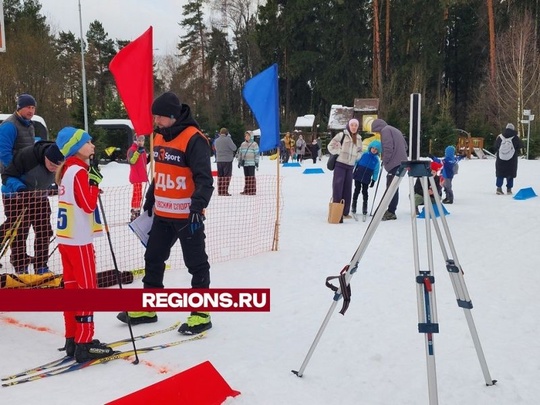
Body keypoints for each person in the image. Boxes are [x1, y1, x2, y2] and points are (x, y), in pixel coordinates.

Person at [117, 91, 214, 335]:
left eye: (159, 117)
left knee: (196, 264)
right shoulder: (159, 137)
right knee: (153, 258)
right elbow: (161, 172)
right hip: (162, 213)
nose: (156, 121)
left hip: (186, 215)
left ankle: (201, 313)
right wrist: (151, 196)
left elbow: (204, 179)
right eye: (155, 116)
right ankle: (148, 307)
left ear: (172, 116)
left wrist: (197, 205)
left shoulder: (194, 139)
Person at [54, 127, 114, 363]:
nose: (93, 146)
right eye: (88, 142)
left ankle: (72, 338)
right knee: (87, 289)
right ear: (76, 147)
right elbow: (88, 205)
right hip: (79, 241)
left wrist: (93, 181)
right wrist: (95, 183)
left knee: (71, 289)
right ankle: (84, 342)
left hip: (67, 240)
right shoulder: (78, 171)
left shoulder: (68, 170)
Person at [1, 141, 64, 274]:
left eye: (57, 167)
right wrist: (21, 189)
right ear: (45, 157)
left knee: (44, 230)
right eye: (52, 165)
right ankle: (20, 266)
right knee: (19, 230)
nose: (54, 169)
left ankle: (41, 266)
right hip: (15, 196)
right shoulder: (27, 156)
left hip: (39, 196)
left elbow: (63, 179)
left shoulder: (61, 161)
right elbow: (6, 176)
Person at [0, 94, 38, 261]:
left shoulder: (30, 125)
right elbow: (3, 153)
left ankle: (19, 255)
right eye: (28, 107)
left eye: (33, 107)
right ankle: (17, 256)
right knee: (14, 222)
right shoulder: (9, 126)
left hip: (26, 179)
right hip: (12, 181)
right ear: (19, 107)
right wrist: (18, 173)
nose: (31, 111)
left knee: (24, 222)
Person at [371, 118, 408, 221]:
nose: (378, 133)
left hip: (394, 164)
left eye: (376, 131)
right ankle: (390, 210)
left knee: (391, 188)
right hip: (402, 163)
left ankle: (391, 212)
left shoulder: (385, 131)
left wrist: (385, 160)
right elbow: (405, 146)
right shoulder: (395, 130)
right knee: (394, 187)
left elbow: (388, 148)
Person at [327, 118, 363, 222]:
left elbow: (360, 151)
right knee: (338, 188)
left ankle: (345, 211)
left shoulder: (359, 138)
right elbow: (330, 146)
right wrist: (338, 151)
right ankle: (336, 212)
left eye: (355, 125)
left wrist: (357, 157)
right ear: (349, 125)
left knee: (348, 189)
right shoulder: (341, 135)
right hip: (340, 165)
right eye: (352, 125)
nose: (354, 127)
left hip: (350, 166)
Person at [351, 140, 381, 218]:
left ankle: (365, 206)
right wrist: (352, 169)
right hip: (358, 174)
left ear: (378, 151)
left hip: (367, 177)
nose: (374, 150)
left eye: (376, 149)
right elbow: (356, 162)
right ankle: (354, 205)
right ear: (370, 148)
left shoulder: (376, 160)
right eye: (373, 148)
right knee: (357, 190)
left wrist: (374, 180)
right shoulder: (364, 155)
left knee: (365, 191)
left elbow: (376, 171)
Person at [494, 123, 522, 195]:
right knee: (510, 174)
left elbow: (496, 146)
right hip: (512, 160)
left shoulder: (500, 137)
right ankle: (509, 189)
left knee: (500, 173)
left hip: (500, 159)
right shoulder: (515, 137)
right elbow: (519, 146)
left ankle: (499, 188)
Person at [127, 134, 148, 221]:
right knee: (137, 193)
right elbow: (131, 161)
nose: (140, 142)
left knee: (138, 193)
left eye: (142, 141)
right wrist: (137, 152)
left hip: (140, 174)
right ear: (135, 140)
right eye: (139, 140)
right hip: (135, 175)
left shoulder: (142, 150)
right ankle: (135, 210)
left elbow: (143, 162)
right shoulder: (132, 150)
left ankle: (136, 210)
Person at [214, 127, 237, 196]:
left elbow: (215, 148)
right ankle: (224, 191)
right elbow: (234, 148)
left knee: (220, 176)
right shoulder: (228, 139)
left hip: (219, 160)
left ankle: (220, 191)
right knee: (227, 176)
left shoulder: (216, 140)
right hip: (227, 160)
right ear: (227, 133)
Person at [237, 131, 260, 195]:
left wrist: (256, 162)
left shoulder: (254, 144)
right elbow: (240, 153)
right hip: (245, 163)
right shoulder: (243, 144)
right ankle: (246, 190)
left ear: (251, 136)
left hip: (251, 163)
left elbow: (257, 154)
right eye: (245, 136)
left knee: (251, 177)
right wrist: (239, 161)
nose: (246, 137)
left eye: (248, 136)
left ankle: (252, 190)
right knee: (246, 177)